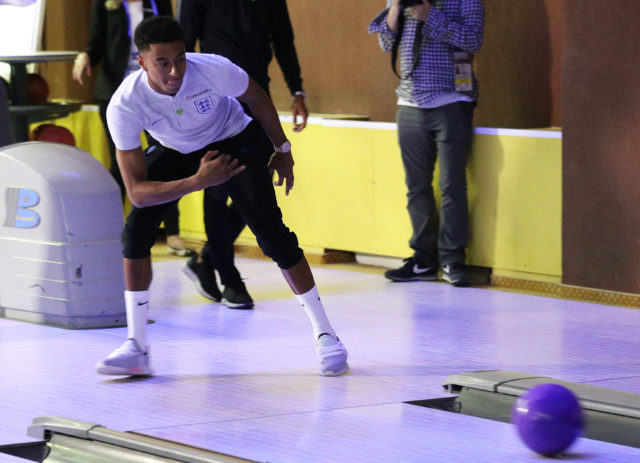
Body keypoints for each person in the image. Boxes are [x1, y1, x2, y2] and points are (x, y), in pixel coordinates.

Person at [95, 16, 348, 378]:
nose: (174, 71)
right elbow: (137, 193)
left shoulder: (212, 69)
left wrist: (283, 147)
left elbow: (256, 97)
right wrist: (198, 181)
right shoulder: (124, 105)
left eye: (180, 58)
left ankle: (327, 336)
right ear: (142, 62)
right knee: (135, 232)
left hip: (233, 138)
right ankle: (136, 345)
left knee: (271, 232)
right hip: (178, 150)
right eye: (162, 63)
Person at [177, 0, 309, 309]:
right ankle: (228, 276)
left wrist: (297, 91)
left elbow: (283, 39)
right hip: (213, 99)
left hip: (255, 95)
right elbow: (183, 45)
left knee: (255, 189)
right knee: (218, 185)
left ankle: (207, 259)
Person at [369, 0, 484, 287]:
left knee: (452, 185)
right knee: (416, 187)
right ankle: (423, 260)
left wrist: (432, 16)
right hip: (409, 103)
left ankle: (452, 259)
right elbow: (385, 43)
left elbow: (473, 39)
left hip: (452, 99)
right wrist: (396, 7)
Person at [72, 0, 195, 257]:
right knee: (121, 165)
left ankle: (172, 233)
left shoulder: (158, 2)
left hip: (155, 93)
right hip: (117, 94)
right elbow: (97, 42)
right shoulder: (106, 4)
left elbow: (172, 39)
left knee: (167, 158)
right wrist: (85, 56)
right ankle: (109, 232)